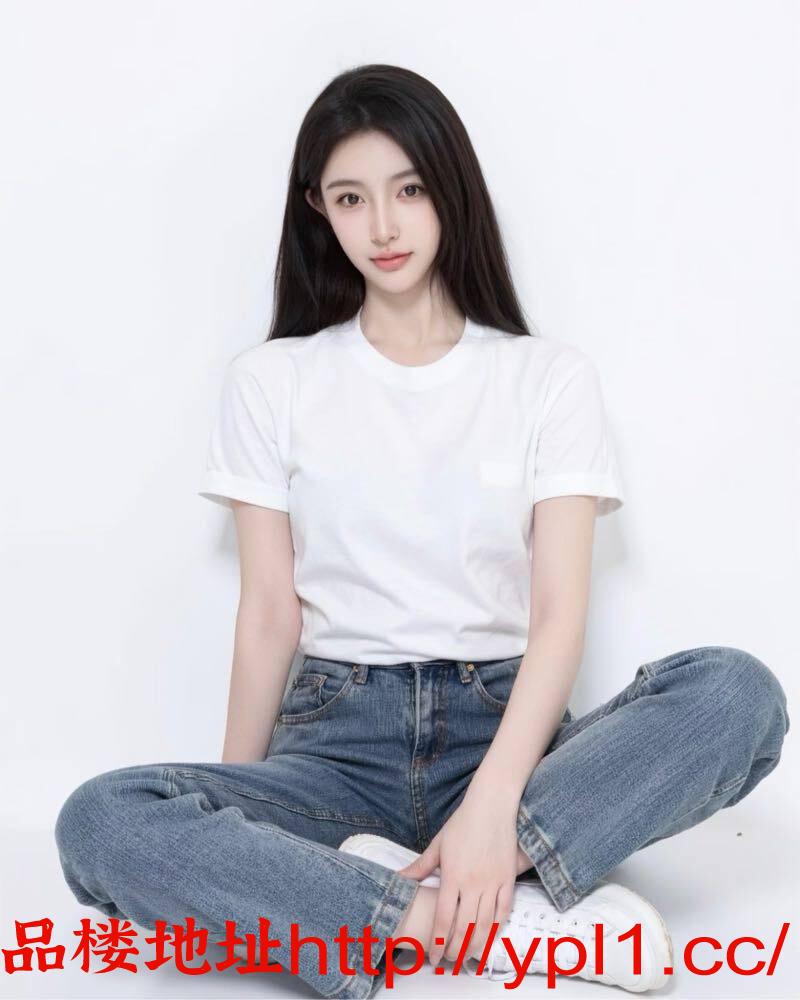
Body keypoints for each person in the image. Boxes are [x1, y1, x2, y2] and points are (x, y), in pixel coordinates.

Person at [54, 63, 790, 999]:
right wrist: (238, 834)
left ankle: (454, 873)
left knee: (736, 693)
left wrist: (493, 803)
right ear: (319, 209)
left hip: (508, 739)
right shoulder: (272, 380)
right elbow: (270, 614)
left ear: (449, 190)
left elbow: (558, 617)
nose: (383, 227)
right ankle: (469, 919)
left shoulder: (546, 378)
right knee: (98, 818)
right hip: (335, 752)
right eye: (351, 199)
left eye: (407, 190)